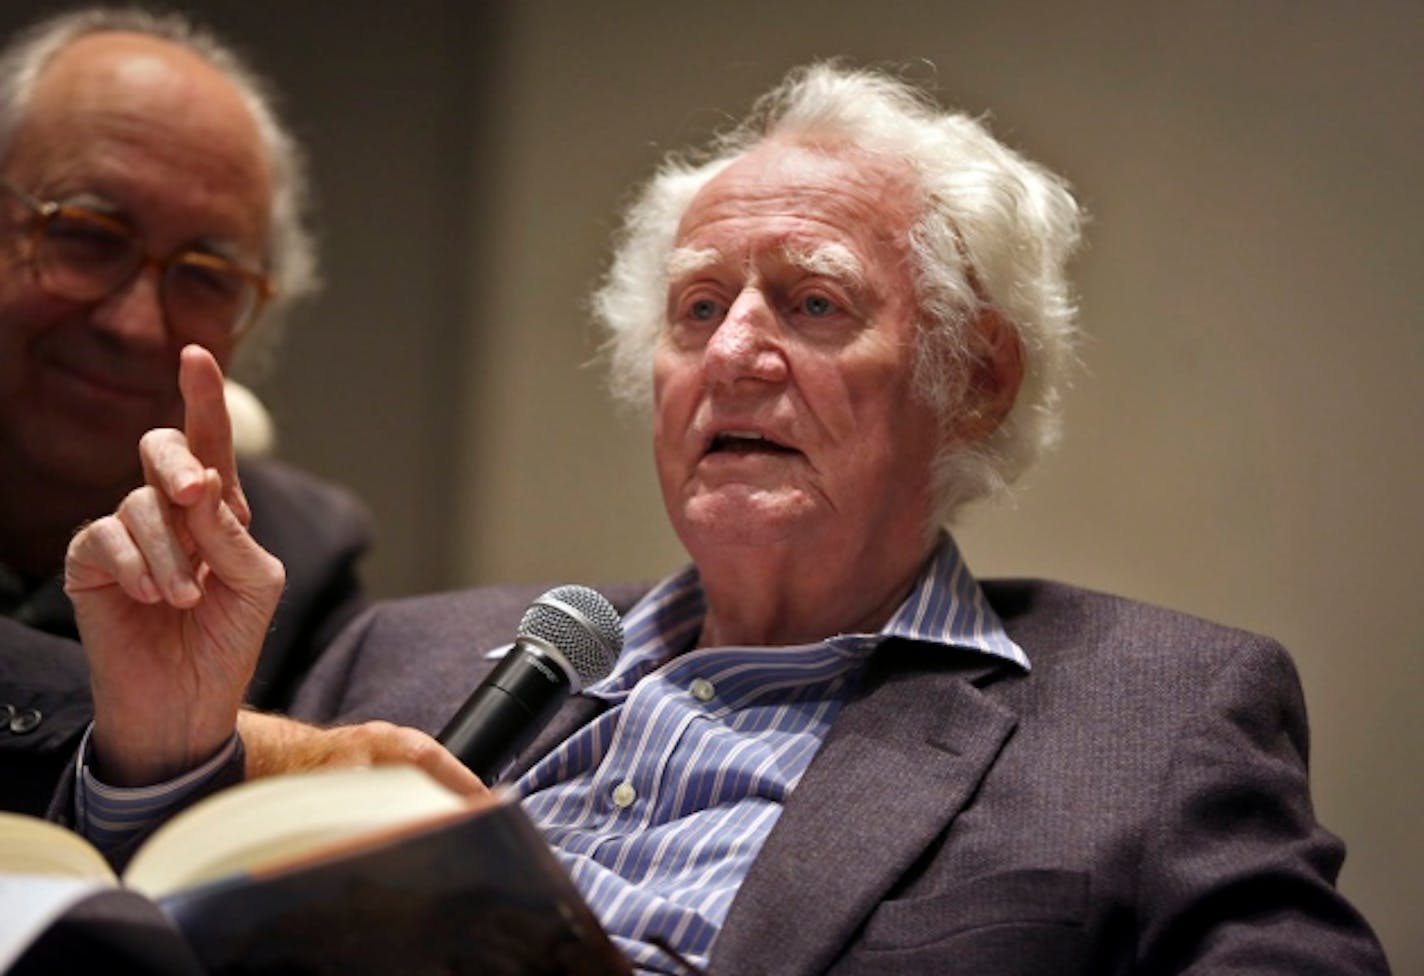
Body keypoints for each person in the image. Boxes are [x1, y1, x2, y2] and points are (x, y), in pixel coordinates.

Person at [56, 64, 1388, 974]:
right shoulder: (399, 659)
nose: (733, 354)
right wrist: (161, 749)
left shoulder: (1150, 722)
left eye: (810, 304)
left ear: (974, 378)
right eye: (696, 311)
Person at [0, 7, 370, 817]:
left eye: (205, 275)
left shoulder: (293, 558)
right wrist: (237, 747)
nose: (135, 324)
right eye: (88, 234)